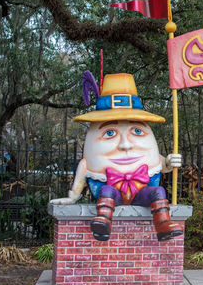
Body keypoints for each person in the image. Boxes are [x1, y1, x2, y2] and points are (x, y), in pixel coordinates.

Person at [50, 73, 183, 242]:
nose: (125, 145)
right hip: (114, 195)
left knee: (159, 191)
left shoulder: (150, 156)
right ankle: (103, 222)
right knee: (106, 190)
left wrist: (170, 162)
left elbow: (163, 165)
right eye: (110, 133)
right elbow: (83, 170)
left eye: (137, 131)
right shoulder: (90, 161)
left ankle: (163, 225)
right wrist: (72, 197)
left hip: (141, 194)